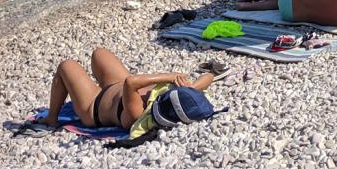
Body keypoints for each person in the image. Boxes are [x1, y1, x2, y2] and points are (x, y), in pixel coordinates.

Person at [28, 47, 214, 134]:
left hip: (93, 105)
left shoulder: (137, 114)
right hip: (114, 87)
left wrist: (169, 76)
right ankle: (88, 84)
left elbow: (131, 82)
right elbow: (208, 78)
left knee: (66, 66)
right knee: (99, 53)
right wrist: (192, 87)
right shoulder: (175, 101)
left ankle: (51, 118)